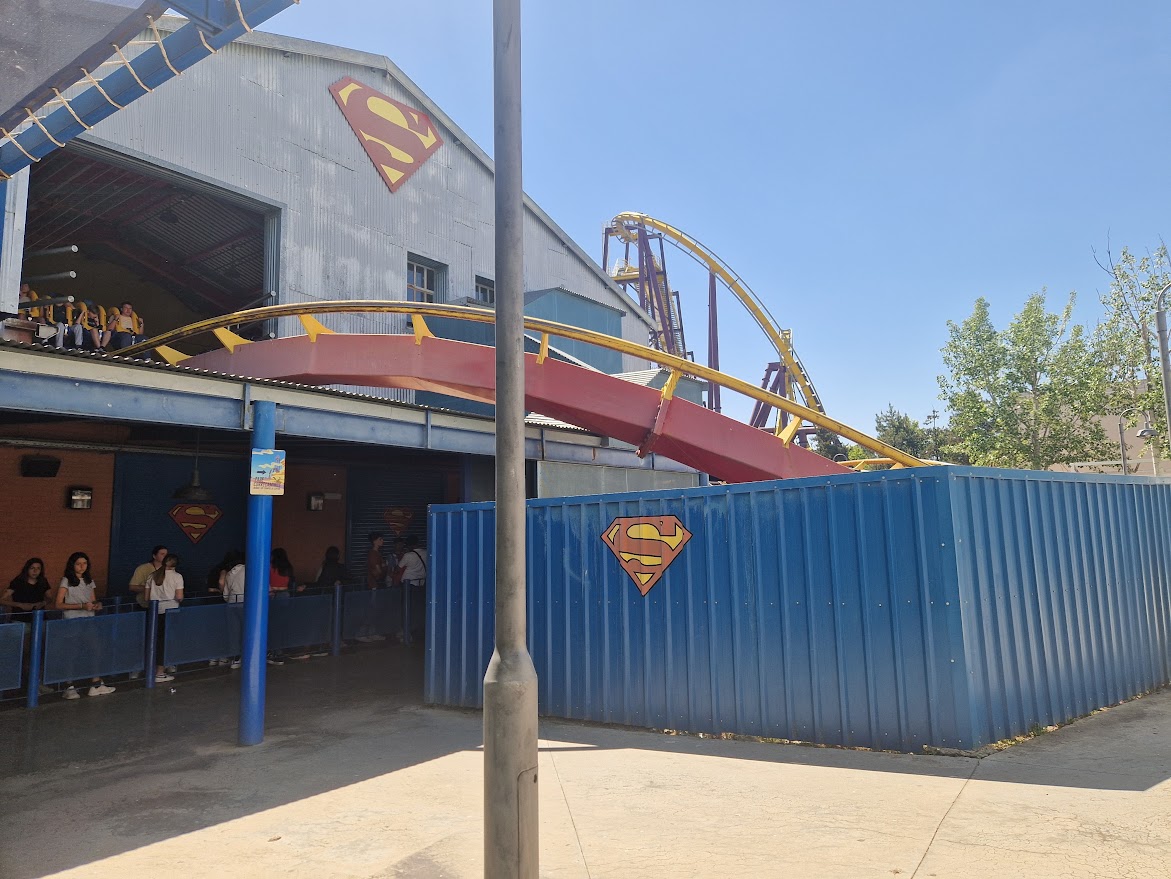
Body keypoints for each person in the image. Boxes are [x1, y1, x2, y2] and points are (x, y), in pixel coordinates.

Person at [55, 552, 115, 699]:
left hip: (89, 620)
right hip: (72, 621)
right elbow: (58, 604)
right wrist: (81, 606)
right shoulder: (66, 580)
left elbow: (93, 600)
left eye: (85, 563)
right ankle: (69, 686)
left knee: (96, 649)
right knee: (71, 653)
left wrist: (96, 605)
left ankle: (96, 683)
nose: (82, 566)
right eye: (78, 564)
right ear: (72, 565)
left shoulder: (89, 580)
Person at [144, 553, 183, 683]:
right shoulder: (177, 577)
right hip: (171, 612)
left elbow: (146, 597)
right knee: (165, 642)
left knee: (154, 641)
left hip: (154, 612)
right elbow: (179, 597)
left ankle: (150, 668)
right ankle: (160, 672)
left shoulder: (152, 576)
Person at [394, 535, 428, 645]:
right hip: (421, 584)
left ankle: (406, 633)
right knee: (418, 609)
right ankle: (416, 630)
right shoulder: (426, 553)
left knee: (406, 608)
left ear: (408, 545)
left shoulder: (408, 555)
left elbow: (397, 568)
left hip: (408, 586)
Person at [1, 558, 52, 624]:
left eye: (38, 568)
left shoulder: (43, 581)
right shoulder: (18, 581)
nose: (35, 571)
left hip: (39, 618)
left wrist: (43, 603)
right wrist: (20, 605)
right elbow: (2, 600)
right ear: (27, 569)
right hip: (20, 619)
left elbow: (50, 598)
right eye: (32, 568)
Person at [357, 532, 388, 643]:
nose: (382, 541)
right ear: (374, 541)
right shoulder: (374, 554)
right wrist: (384, 568)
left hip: (376, 584)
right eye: (380, 539)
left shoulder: (376, 553)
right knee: (371, 609)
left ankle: (372, 632)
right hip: (374, 584)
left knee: (374, 610)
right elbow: (378, 571)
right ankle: (362, 633)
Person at [218, 551, 246, 670]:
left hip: (231, 604)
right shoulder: (248, 570)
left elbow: (225, 594)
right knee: (247, 631)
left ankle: (235, 658)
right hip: (245, 604)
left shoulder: (229, 573)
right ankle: (248, 655)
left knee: (234, 632)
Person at [267, 548, 295, 665]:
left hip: (273, 595)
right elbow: (292, 582)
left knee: (272, 625)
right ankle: (280, 651)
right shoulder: (288, 567)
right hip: (285, 595)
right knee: (282, 624)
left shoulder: (270, 567)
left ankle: (273, 652)